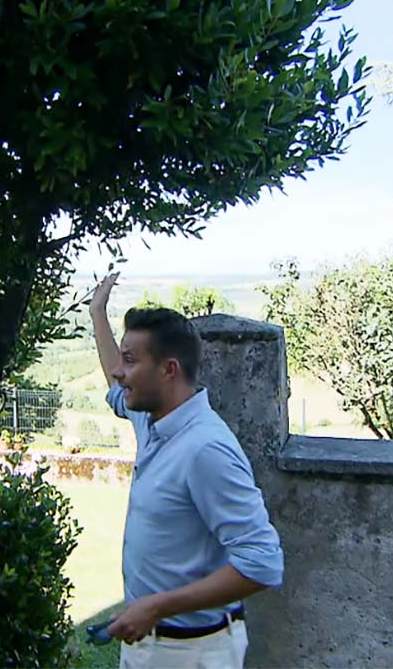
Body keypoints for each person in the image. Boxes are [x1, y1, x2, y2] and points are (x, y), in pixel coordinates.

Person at [90, 273, 284, 668]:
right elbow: (116, 385)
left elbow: (263, 562)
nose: (118, 372)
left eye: (131, 360)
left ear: (168, 370)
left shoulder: (205, 449)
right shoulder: (152, 420)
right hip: (149, 645)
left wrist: (157, 607)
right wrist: (97, 314)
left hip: (192, 652)